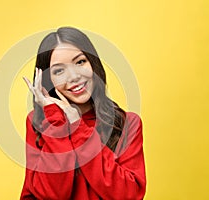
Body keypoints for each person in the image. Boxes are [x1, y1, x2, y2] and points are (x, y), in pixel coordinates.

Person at [20, 27, 146, 200]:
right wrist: (58, 123)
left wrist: (77, 125)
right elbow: (49, 195)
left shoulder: (128, 123)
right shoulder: (40, 122)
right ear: (48, 81)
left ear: (93, 63)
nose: (73, 77)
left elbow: (128, 195)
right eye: (59, 71)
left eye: (80, 62)